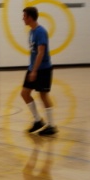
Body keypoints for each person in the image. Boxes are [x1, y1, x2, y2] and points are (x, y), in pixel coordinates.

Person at [21, 7, 58, 136]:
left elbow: (41, 52)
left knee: (43, 95)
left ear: (30, 17)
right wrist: (32, 69)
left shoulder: (40, 31)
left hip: (43, 69)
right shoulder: (31, 32)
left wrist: (35, 71)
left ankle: (51, 125)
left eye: (24, 16)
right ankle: (38, 120)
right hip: (33, 68)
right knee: (25, 93)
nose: (22, 19)